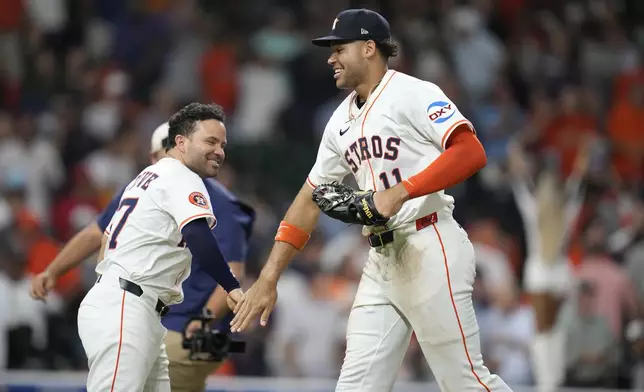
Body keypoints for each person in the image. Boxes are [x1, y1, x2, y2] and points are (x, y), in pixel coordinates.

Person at [231, 8, 512, 392]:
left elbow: (470, 151)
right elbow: (309, 198)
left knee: (465, 382)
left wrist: (401, 190)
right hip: (381, 260)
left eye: (339, 48)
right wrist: (268, 276)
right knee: (356, 386)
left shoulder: (413, 93)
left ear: (368, 48)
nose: (331, 58)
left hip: (430, 244)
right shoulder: (338, 121)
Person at [30, 120, 255, 392]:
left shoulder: (145, 186)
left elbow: (98, 237)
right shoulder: (168, 185)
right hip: (133, 304)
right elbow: (222, 263)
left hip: (153, 313)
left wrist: (205, 319)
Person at [81, 103, 243, 391]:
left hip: (132, 303)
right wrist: (231, 286)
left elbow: (106, 241)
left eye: (222, 144)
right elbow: (198, 235)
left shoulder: (146, 177)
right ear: (180, 142)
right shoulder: (181, 176)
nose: (220, 151)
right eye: (210, 141)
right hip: (127, 304)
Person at [507, 141, 589, 392]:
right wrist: (582, 160)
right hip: (559, 276)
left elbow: (520, 187)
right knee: (554, 332)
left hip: (542, 276)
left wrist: (515, 158)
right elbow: (577, 186)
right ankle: (552, 381)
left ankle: (547, 383)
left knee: (544, 333)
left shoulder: (537, 211)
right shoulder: (566, 213)